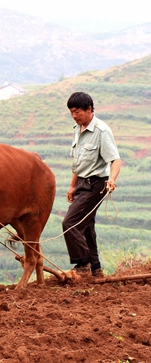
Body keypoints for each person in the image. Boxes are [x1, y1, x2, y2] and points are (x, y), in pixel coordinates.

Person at [62, 92, 120, 277]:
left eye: (77, 111)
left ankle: (82, 265)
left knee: (70, 223)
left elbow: (115, 160)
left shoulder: (101, 131)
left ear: (89, 109)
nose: (74, 115)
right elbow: (78, 163)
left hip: (97, 184)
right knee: (86, 226)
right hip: (81, 183)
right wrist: (72, 186)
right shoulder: (77, 129)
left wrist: (112, 179)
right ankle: (96, 269)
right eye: (71, 111)